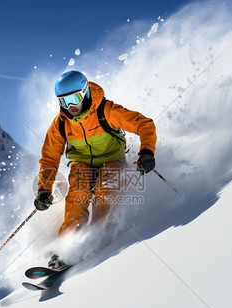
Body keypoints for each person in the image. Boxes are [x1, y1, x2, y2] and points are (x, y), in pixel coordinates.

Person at [34, 70, 157, 269]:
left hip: (112, 160)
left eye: (74, 99)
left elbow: (144, 124)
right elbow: (49, 157)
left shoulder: (106, 111)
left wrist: (146, 152)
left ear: (85, 93)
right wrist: (44, 189)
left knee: (104, 188)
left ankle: (99, 236)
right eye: (64, 102)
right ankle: (67, 247)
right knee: (77, 194)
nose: (71, 107)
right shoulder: (61, 124)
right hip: (82, 164)